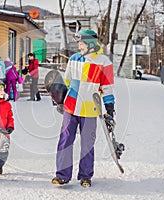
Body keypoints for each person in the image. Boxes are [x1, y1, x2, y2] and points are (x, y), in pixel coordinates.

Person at [51, 29, 115, 187]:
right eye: (78, 43)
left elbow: (107, 88)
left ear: (91, 43)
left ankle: (85, 175)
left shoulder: (104, 62)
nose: (79, 46)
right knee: (65, 140)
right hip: (71, 106)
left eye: (82, 43)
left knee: (87, 143)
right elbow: (67, 80)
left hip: (90, 108)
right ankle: (62, 175)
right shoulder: (74, 59)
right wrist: (59, 97)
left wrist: (110, 108)